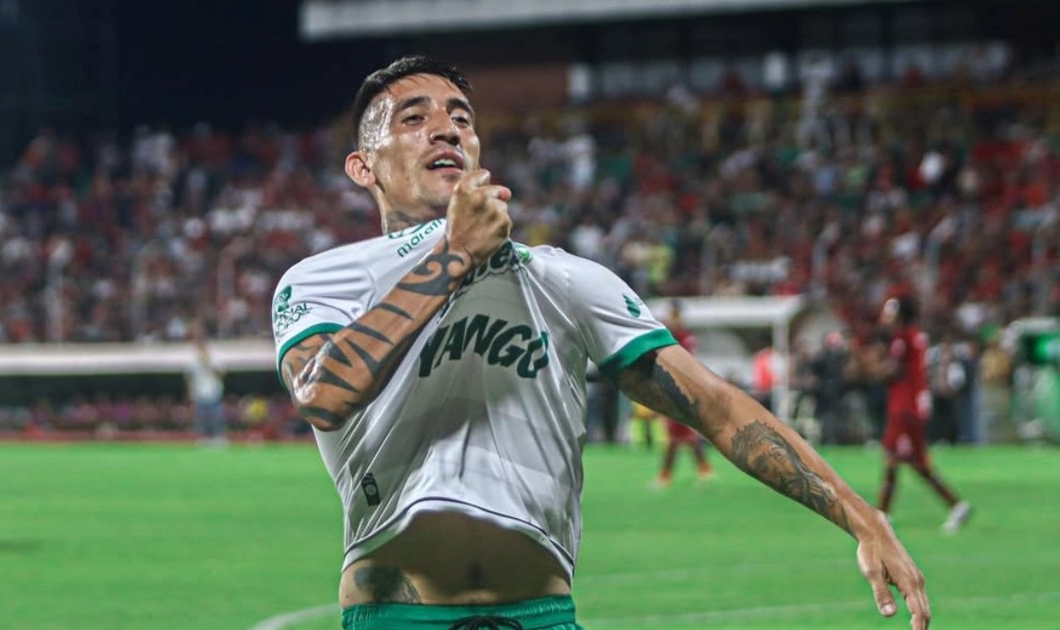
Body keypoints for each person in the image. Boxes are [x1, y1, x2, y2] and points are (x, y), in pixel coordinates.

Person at [272, 56, 930, 629]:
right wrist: (453, 256)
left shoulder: (563, 280)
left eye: (462, 118)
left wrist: (861, 516)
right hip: (395, 619)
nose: (446, 128)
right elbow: (323, 393)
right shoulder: (323, 279)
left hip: (540, 617)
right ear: (363, 167)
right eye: (414, 118)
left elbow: (718, 407)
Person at [871, 296, 971, 534]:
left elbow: (892, 371)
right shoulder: (915, 335)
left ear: (899, 315)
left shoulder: (903, 338)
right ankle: (954, 505)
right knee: (912, 462)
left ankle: (883, 515)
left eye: (889, 312)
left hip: (904, 408)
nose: (885, 317)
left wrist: (873, 369)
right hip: (913, 406)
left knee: (897, 459)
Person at [651, 300, 713, 487]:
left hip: (683, 388)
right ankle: (704, 469)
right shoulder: (667, 335)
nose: (672, 319)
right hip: (670, 387)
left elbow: (686, 363)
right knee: (681, 433)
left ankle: (666, 475)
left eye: (674, 315)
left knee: (677, 433)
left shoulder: (685, 338)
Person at [185, 319, 227, 446]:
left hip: (213, 391)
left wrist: (207, 361)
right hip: (199, 393)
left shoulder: (213, 353)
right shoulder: (191, 355)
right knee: (202, 420)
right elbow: (189, 377)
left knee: (215, 418)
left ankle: (218, 438)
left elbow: (221, 373)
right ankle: (204, 438)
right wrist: (189, 392)